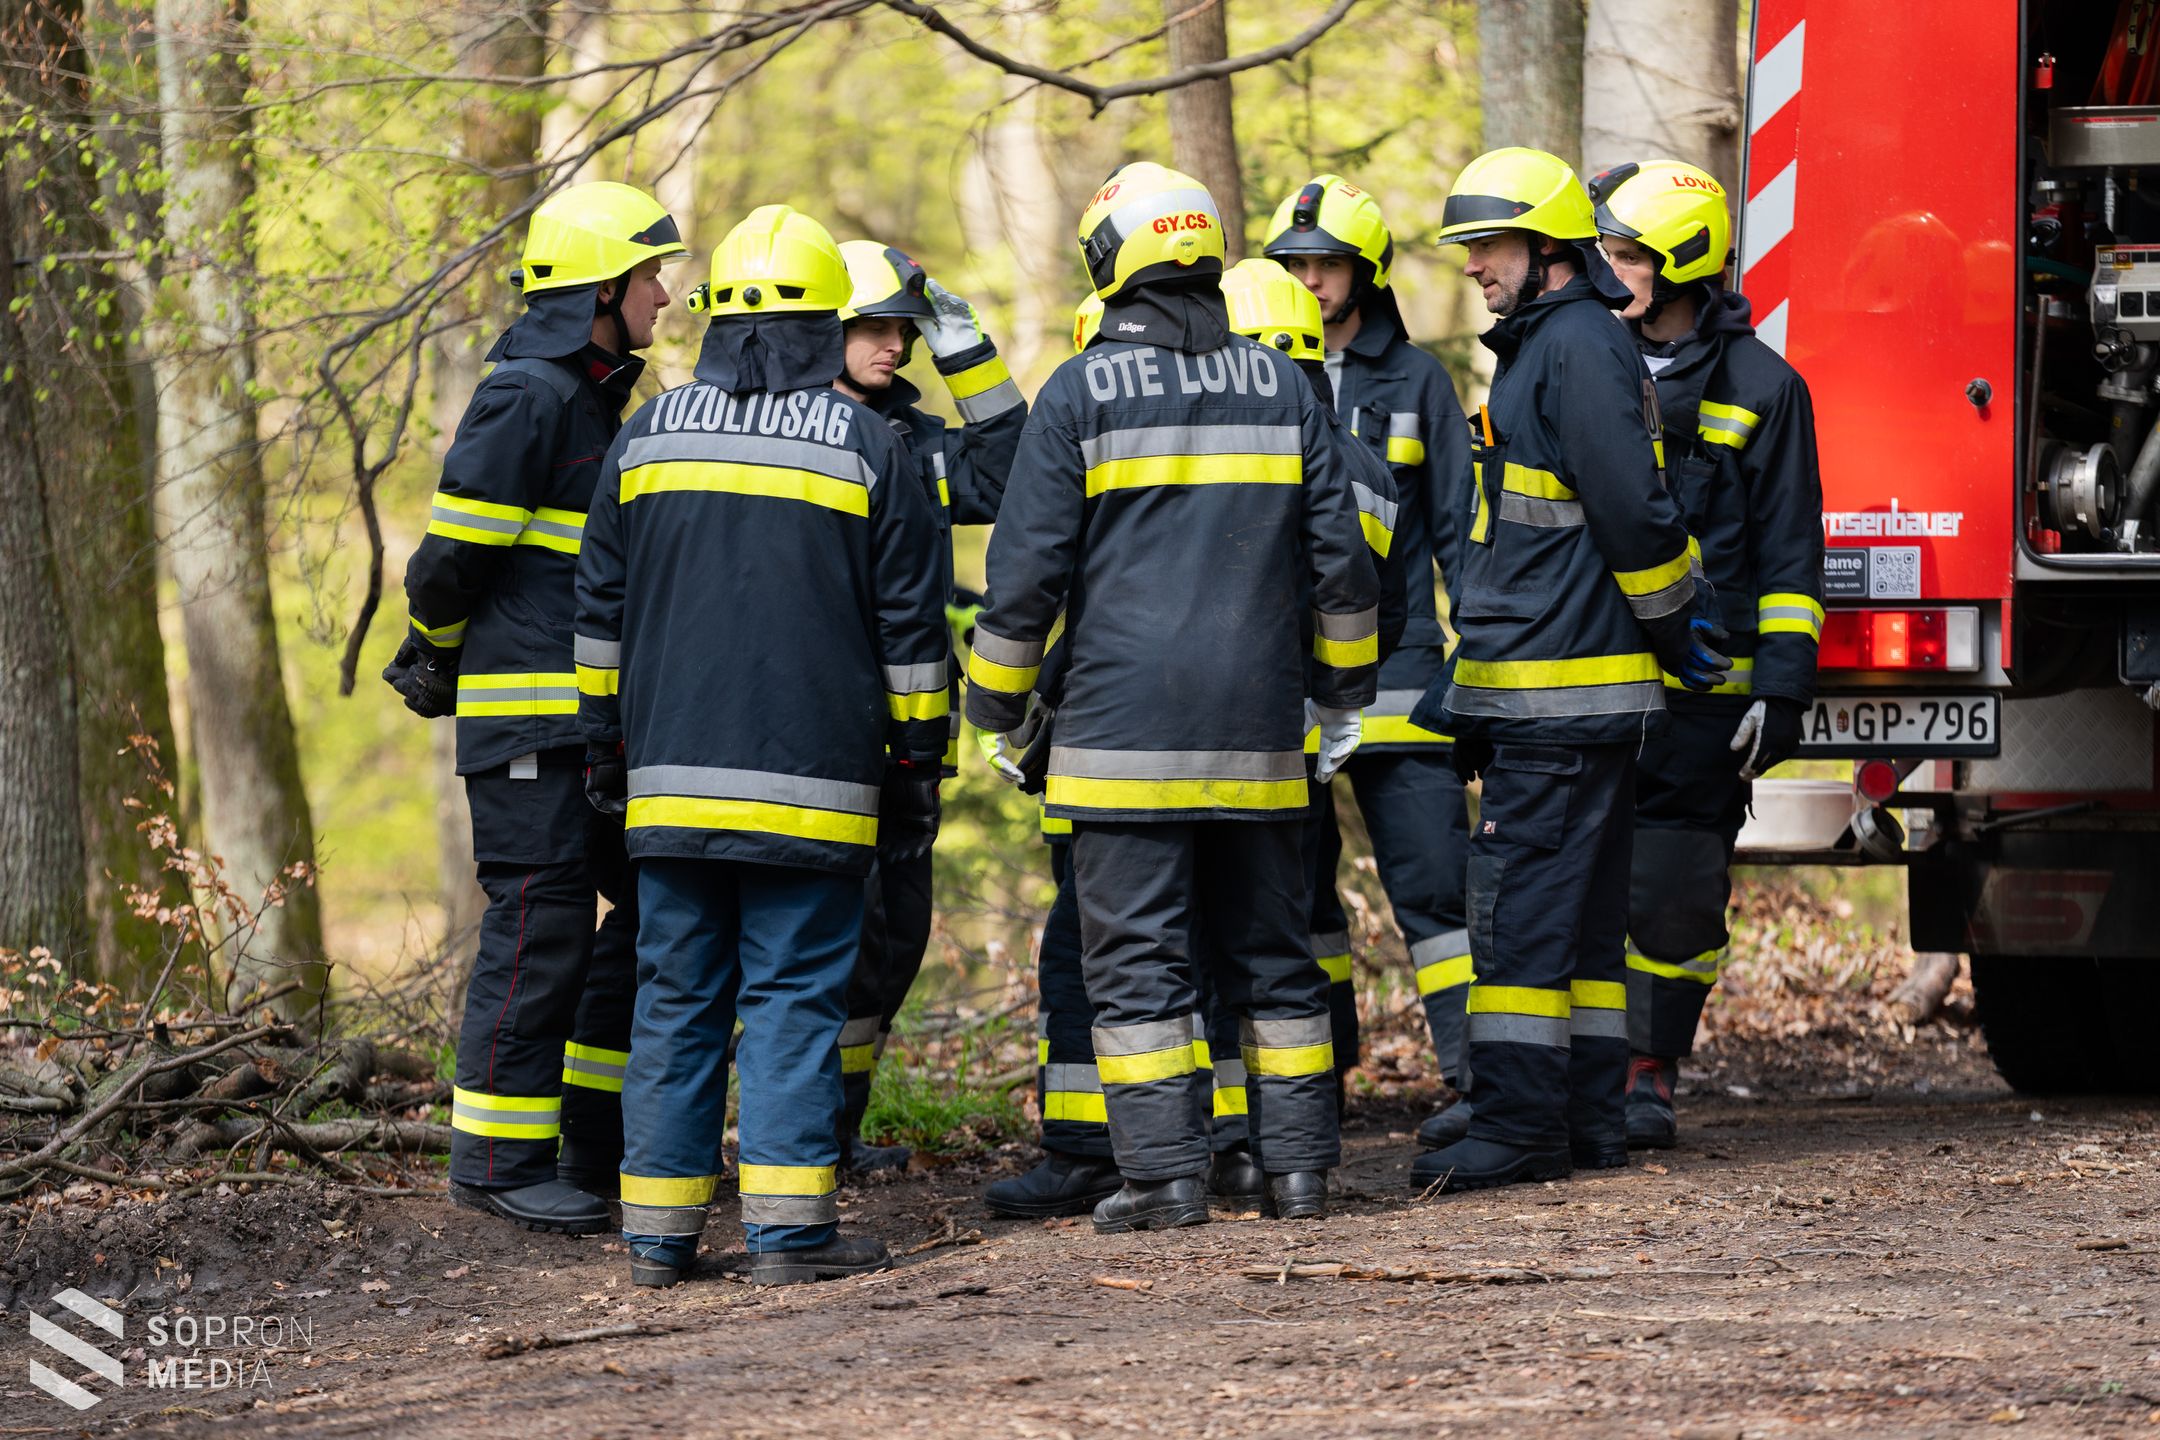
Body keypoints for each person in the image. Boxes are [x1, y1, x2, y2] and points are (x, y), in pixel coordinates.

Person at [967, 162, 1381, 1231]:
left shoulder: (1076, 393)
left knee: (1140, 964)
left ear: (1112, 263)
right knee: (1277, 956)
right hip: (1258, 737)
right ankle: (1297, 1174)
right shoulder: (1287, 387)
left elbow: (1023, 585)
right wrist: (1342, 700)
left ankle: (1163, 1179)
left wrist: (998, 716)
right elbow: (1339, 566)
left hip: (1118, 742)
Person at [574, 204, 949, 1286]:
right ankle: (788, 1237)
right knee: (793, 999)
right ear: (825, 326)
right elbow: (913, 640)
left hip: (672, 789)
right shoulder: (872, 449)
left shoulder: (643, 438)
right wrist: (918, 765)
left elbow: (597, 615)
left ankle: (656, 1240)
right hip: (817, 792)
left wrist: (606, 749)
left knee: (676, 1001)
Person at [1408, 148, 1730, 1193]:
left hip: (1557, 694)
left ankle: (1516, 1127)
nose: (1473, 267)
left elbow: (1635, 516)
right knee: (1587, 926)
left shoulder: (1572, 349)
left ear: (1548, 249)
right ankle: (1586, 1118)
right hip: (1569, 690)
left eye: (1487, 247)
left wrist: (1679, 631)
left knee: (1523, 921)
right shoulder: (1566, 342)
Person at [386, 181, 688, 1234]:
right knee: (538, 929)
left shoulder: (592, 400)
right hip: (529, 724)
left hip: (587, 725)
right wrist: (435, 651)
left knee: (652, 909)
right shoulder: (531, 395)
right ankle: (499, 1163)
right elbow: (447, 563)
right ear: (604, 289)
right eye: (651, 275)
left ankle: (587, 1139)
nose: (665, 293)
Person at [1588, 160, 1824, 1147]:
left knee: (1677, 893)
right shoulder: (1580, 361)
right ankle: (1574, 1075)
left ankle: (1651, 1068)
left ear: (1681, 263)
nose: (1609, 267)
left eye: (1627, 253)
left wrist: (1781, 685)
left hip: (1703, 694)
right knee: (1578, 876)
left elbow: (1788, 546)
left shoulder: (1765, 388)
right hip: (1584, 676)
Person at [1261, 176, 1476, 1130]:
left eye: (1327, 265)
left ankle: (1481, 1077)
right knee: (1301, 899)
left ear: (1367, 272)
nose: (1310, 282)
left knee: (1435, 883)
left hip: (1404, 673)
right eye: (1294, 265)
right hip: (1282, 678)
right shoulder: (1256, 366)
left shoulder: (1420, 381)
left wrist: (1480, 663)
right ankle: (1320, 1085)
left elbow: (1462, 530)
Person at [828, 240, 1027, 1170]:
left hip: (907, 729)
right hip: (819, 722)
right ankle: (793, 1139)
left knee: (893, 932)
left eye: (904, 329)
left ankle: (834, 1126)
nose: (893, 346)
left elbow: (1019, 474)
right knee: (813, 938)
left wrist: (970, 355)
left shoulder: (914, 443)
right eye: (872, 326)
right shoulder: (792, 433)